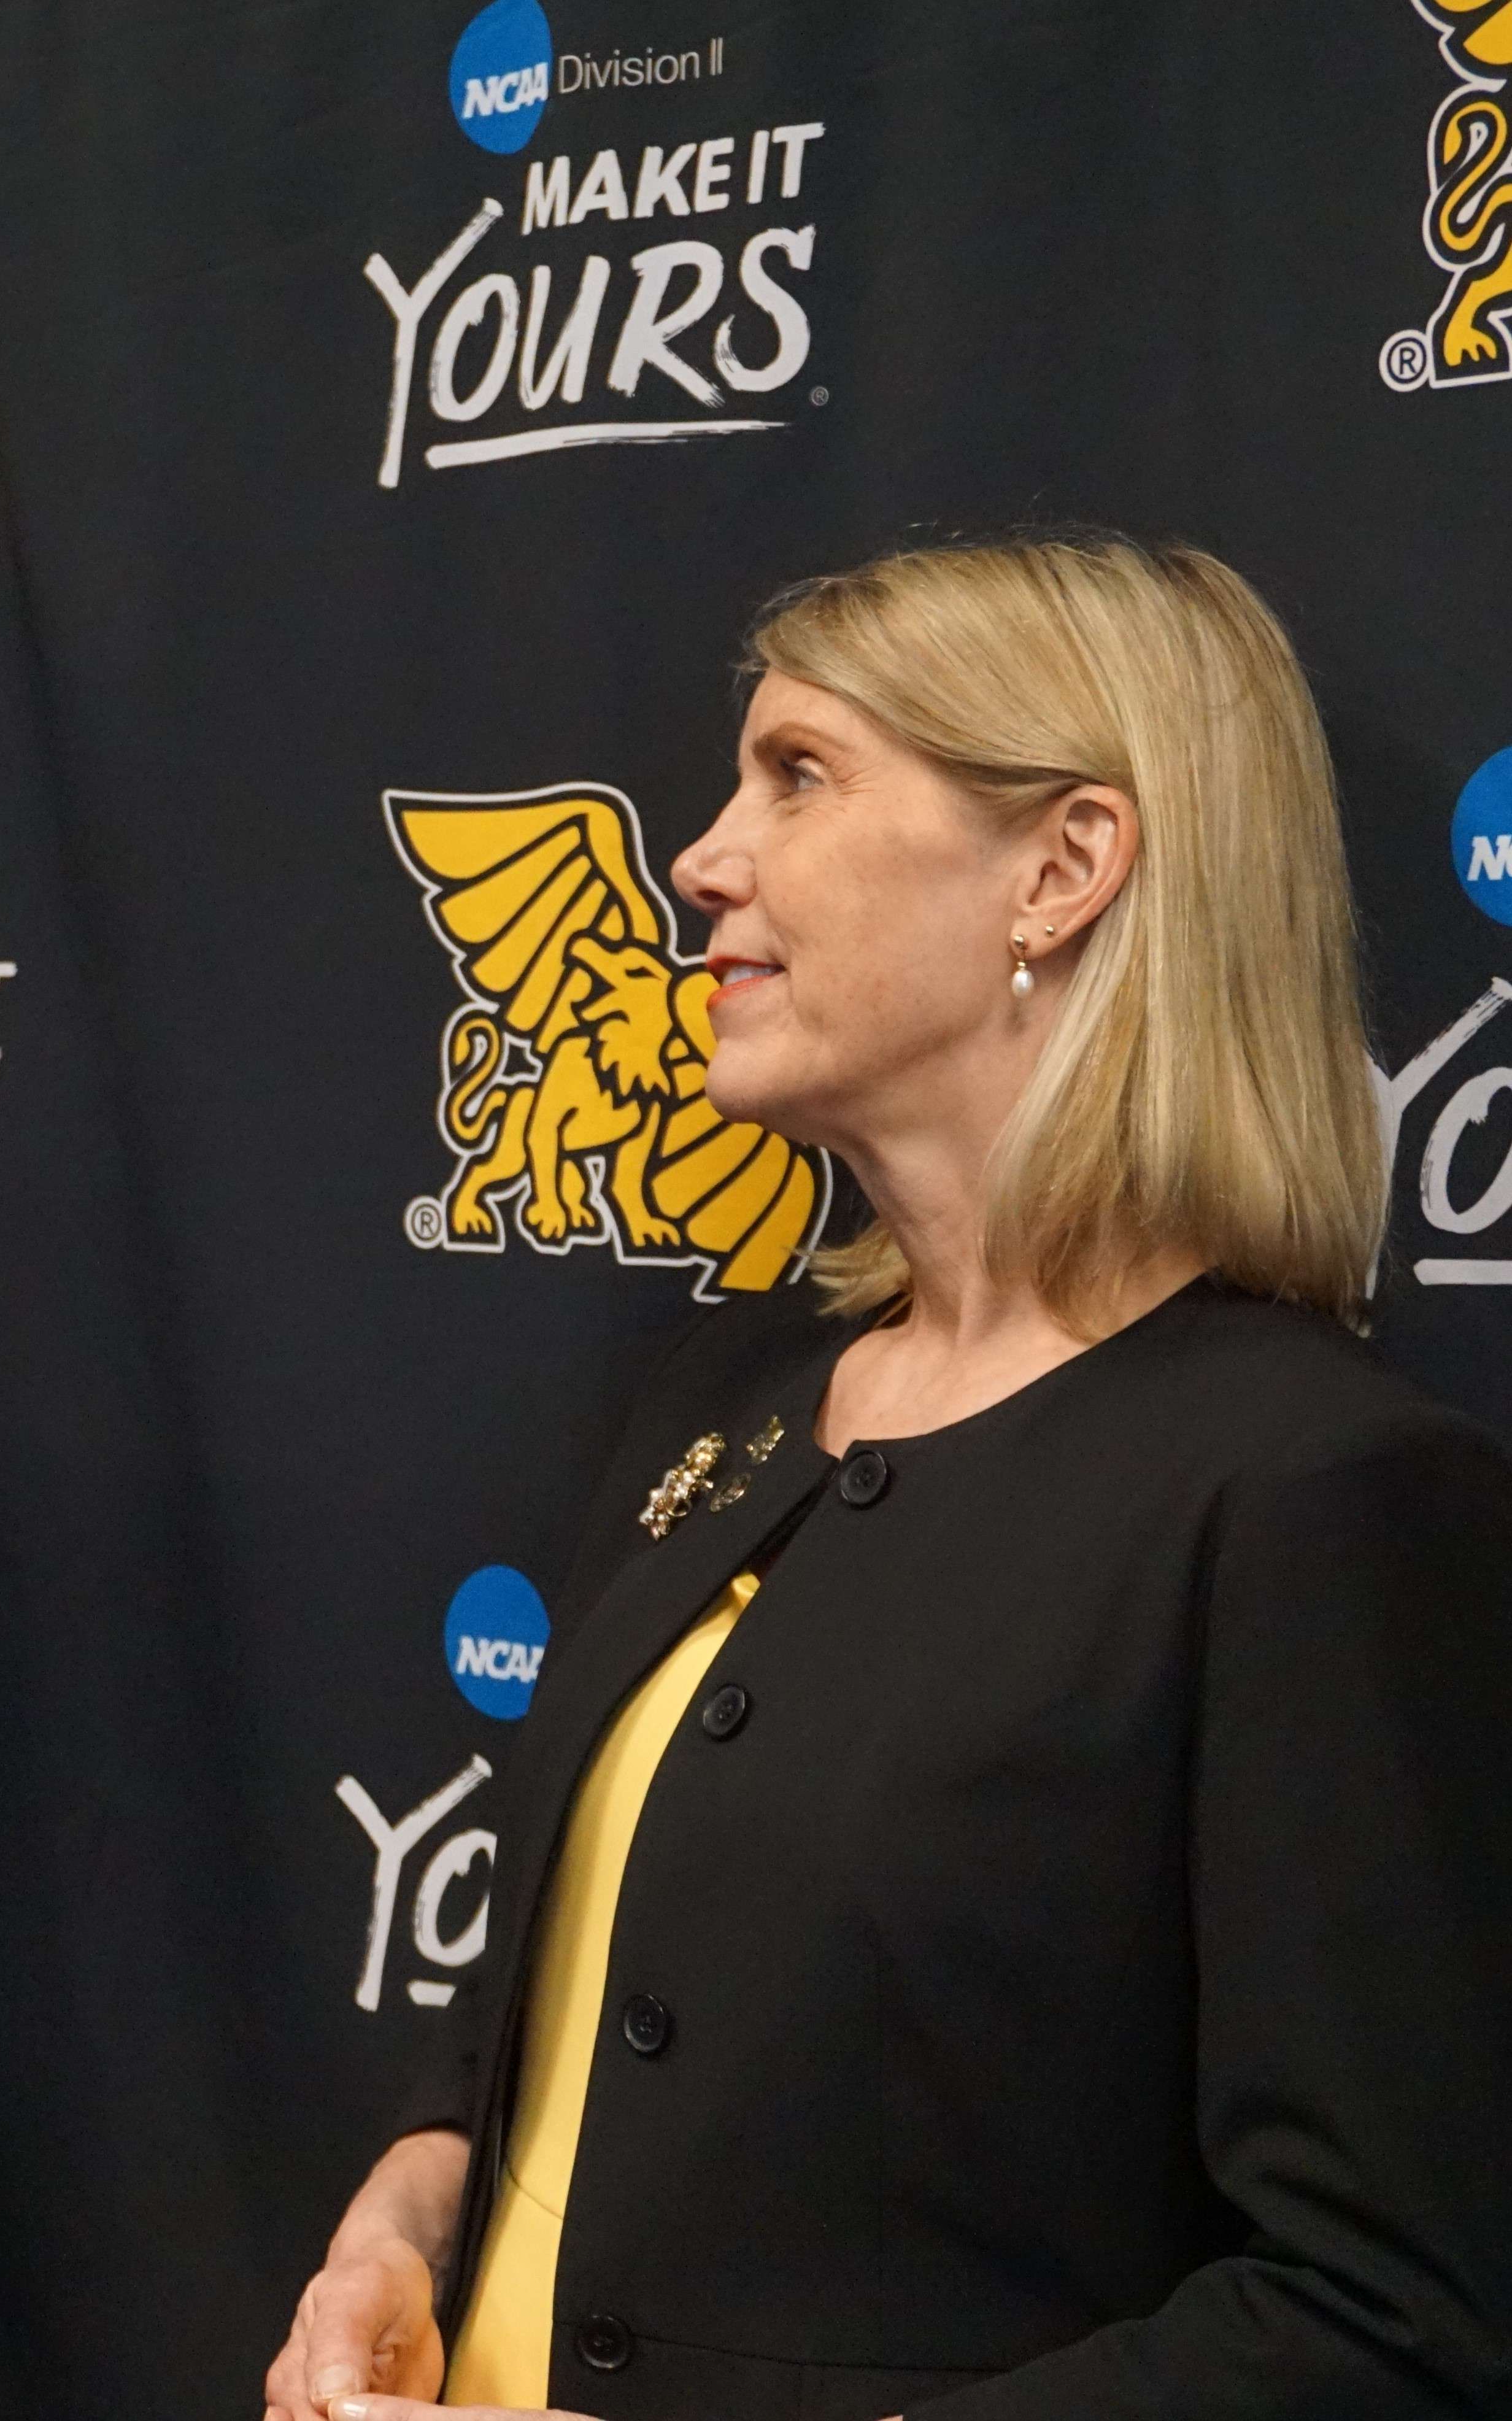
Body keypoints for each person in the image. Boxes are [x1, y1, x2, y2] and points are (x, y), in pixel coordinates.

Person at [264, 537, 1512, 2421]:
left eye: (801, 774)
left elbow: (1385, 2319)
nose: (699, 856)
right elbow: (601, 1995)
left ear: (1064, 867)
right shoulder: (725, 1395)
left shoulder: (1311, 1495)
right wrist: (412, 2205)